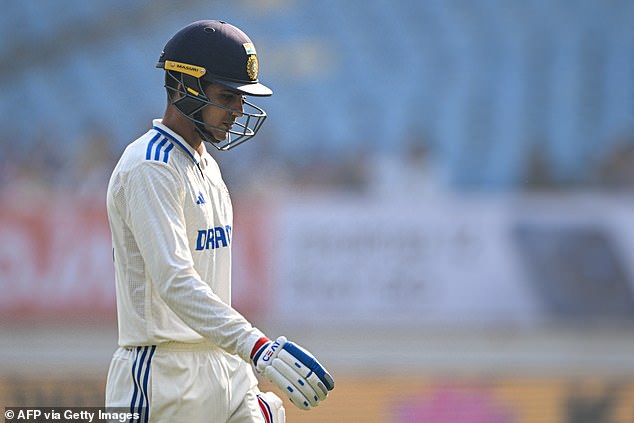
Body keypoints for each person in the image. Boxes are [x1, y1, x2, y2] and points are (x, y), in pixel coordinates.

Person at [104, 20, 334, 423]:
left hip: (222, 362)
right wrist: (256, 347)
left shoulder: (207, 166)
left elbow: (212, 293)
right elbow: (175, 280)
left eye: (241, 98)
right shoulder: (150, 166)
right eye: (227, 96)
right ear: (180, 87)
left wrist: (241, 379)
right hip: (161, 376)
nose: (237, 111)